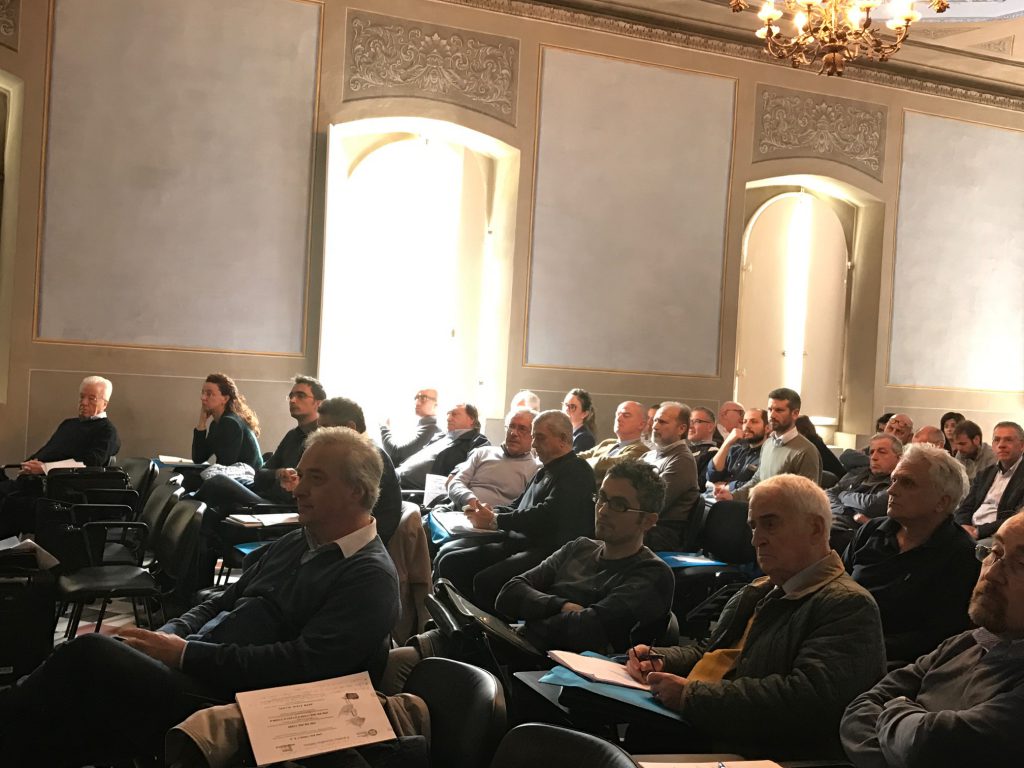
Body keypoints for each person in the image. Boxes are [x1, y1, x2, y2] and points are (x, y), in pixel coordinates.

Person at [0, 427, 400, 767]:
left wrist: (185, 654)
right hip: (201, 662)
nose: (299, 489)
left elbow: (301, 666)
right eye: (301, 474)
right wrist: (170, 634)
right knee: (76, 703)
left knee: (89, 656)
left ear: (357, 490)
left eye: (317, 478)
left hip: (240, 702)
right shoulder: (298, 541)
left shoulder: (369, 576)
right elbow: (223, 600)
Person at [626, 474, 884, 760]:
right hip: (703, 727)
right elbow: (713, 651)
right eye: (753, 526)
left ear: (815, 528)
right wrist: (662, 659)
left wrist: (691, 697)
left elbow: (806, 704)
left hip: (753, 752)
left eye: (770, 524)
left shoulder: (848, 605)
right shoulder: (761, 589)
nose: (756, 539)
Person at [840, 512, 1024, 768]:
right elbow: (859, 710)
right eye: (994, 551)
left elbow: (928, 742)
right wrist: (904, 744)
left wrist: (896, 709)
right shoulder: (964, 643)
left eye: (1021, 564)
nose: (991, 573)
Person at [495, 460, 674, 653]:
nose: (602, 510)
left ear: (648, 520)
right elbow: (508, 594)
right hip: (530, 652)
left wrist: (532, 618)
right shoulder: (579, 547)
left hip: (572, 668)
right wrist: (562, 606)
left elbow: (584, 632)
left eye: (619, 505)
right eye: (602, 498)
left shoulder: (653, 574)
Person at [434, 410, 596, 612]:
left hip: (549, 551)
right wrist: (488, 512)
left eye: (540, 437)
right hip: (521, 541)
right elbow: (518, 505)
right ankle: (456, 620)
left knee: (486, 580)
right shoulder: (546, 469)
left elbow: (547, 515)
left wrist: (496, 520)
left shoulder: (576, 471)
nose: (534, 444)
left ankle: (484, 627)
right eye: (534, 437)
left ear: (563, 439)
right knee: (450, 561)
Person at [843, 443, 979, 664]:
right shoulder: (871, 531)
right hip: (838, 640)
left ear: (942, 502)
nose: (891, 490)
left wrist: (861, 646)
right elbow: (837, 586)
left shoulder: (961, 556)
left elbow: (936, 639)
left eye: (907, 483)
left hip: (890, 664)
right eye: (894, 480)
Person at [0, 375, 122, 537]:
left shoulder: (107, 431)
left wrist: (44, 468)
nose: (84, 402)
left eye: (91, 398)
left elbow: (89, 464)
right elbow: (47, 451)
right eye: (82, 397)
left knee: (10, 502)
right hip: (36, 483)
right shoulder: (69, 424)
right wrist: (29, 464)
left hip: (59, 493)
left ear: (105, 403)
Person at [195, 375, 324, 509]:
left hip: (282, 506)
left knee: (218, 482)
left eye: (301, 396)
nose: (292, 400)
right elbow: (260, 474)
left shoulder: (321, 439)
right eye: (291, 396)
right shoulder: (292, 435)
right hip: (266, 495)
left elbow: (306, 489)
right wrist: (278, 473)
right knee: (201, 481)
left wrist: (285, 479)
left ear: (318, 403)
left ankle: (185, 507)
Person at [318, 397, 403, 546]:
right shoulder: (351, 453)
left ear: (350, 427)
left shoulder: (368, 457)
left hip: (361, 540)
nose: (318, 434)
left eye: (326, 428)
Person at [715, 387, 821, 503]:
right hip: (758, 510)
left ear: (795, 413)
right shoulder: (768, 444)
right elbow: (757, 480)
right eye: (770, 409)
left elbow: (806, 499)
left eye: (779, 410)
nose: (772, 415)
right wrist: (733, 496)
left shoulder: (806, 451)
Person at [444, 408, 542, 510]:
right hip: (459, 510)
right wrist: (470, 500)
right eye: (511, 426)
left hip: (496, 517)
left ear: (534, 435)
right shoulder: (482, 452)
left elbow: (524, 507)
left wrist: (489, 514)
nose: (513, 433)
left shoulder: (536, 469)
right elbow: (455, 483)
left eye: (522, 429)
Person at [828, 433, 902, 552]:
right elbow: (829, 493)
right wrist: (845, 511)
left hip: (853, 534)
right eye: (871, 452)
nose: (874, 457)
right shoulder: (859, 473)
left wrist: (843, 495)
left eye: (882, 452)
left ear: (899, 458)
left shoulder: (897, 483)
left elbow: (871, 505)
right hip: (834, 519)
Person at [642, 401, 700, 550]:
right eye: (655, 420)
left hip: (660, 533)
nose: (655, 426)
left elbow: (653, 502)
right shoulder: (649, 455)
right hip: (642, 524)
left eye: (662, 422)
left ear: (681, 429)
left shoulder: (682, 459)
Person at [954, 421, 1024, 540]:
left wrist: (979, 531)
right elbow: (965, 507)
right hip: (970, 531)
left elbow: (1018, 518)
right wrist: (963, 526)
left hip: (999, 535)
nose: (1001, 445)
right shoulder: (984, 474)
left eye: (1008, 440)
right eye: (997, 440)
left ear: (1022, 445)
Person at [393, 403, 489, 490]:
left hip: (413, 489)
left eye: (454, 414)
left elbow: (477, 461)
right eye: (448, 414)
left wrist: (456, 472)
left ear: (471, 419)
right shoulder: (440, 436)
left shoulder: (477, 441)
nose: (448, 418)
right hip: (397, 477)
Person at [192, 373, 263, 471]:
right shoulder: (216, 424)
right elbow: (198, 458)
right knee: (185, 472)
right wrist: (202, 423)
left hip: (248, 478)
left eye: (209, 394)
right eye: (203, 393)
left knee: (187, 475)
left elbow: (225, 466)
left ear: (225, 399)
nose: (203, 398)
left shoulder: (230, 422)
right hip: (234, 475)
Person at [577, 400, 650, 484]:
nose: (618, 419)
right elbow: (576, 457)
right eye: (617, 414)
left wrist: (579, 464)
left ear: (641, 424)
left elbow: (602, 466)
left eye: (626, 415)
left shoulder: (641, 450)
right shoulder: (607, 443)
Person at [707, 407, 768, 491]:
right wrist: (726, 443)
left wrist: (728, 486)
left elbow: (759, 483)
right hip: (714, 495)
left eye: (754, 422)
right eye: (744, 422)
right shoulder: (734, 450)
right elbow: (712, 476)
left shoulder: (768, 454)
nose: (747, 426)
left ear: (767, 428)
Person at [380, 388, 441, 465]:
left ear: (436, 404)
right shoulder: (423, 426)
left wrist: (385, 428)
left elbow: (395, 454)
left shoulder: (431, 430)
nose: (417, 403)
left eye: (423, 398)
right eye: (416, 398)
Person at [795, 415, 845, 480]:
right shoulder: (816, 441)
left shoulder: (811, 446)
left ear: (802, 430)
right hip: (836, 476)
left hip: (833, 478)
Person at [687, 407, 720, 481]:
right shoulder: (682, 450)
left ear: (710, 427)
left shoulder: (714, 453)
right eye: (690, 421)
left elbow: (702, 483)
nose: (690, 426)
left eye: (696, 421)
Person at [562, 387, 596, 452]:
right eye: (565, 405)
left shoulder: (585, 438)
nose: (566, 409)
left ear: (584, 414)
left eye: (572, 407)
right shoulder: (565, 433)